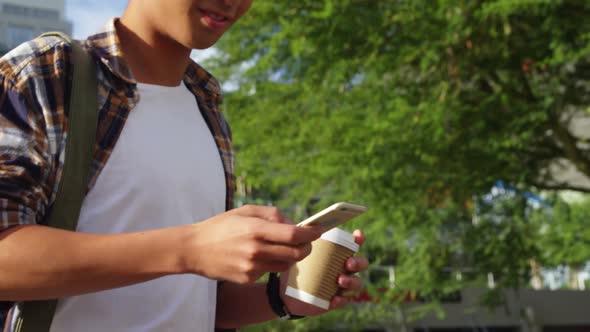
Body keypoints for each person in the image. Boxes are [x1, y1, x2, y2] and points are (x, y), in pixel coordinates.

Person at [0, 0, 369, 331]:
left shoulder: (205, 104)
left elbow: (198, 297)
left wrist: (282, 296)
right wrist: (189, 248)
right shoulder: (45, 73)